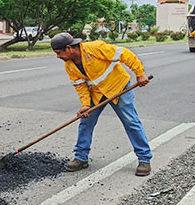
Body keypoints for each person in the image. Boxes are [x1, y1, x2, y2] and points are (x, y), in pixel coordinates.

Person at [51, 33, 153, 176]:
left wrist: (140, 73)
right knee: (86, 121)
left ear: (68, 48)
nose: (58, 57)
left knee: (131, 122)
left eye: (59, 53)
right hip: (97, 93)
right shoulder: (69, 66)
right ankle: (81, 157)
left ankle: (144, 159)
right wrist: (86, 105)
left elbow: (125, 54)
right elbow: (80, 86)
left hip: (119, 87)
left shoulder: (95, 48)